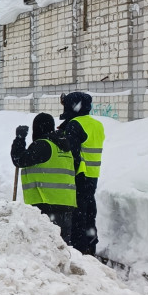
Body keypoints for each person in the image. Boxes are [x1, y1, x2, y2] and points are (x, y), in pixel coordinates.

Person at [11, 112, 76, 244]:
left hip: (46, 203)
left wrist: (19, 139)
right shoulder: (65, 148)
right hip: (66, 205)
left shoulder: (43, 145)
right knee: (62, 246)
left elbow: (20, 160)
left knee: (44, 246)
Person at [57, 91, 104, 256]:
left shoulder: (75, 125)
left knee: (78, 214)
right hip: (93, 175)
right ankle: (91, 245)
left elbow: (73, 153)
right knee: (90, 211)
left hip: (80, 176)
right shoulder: (97, 124)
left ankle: (79, 248)